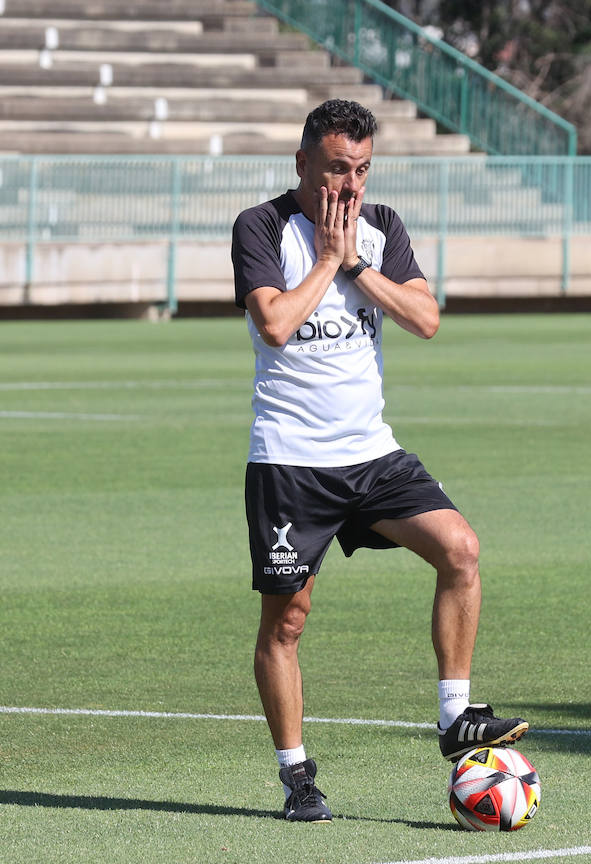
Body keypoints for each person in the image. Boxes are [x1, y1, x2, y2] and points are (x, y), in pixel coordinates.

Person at [231, 99, 528, 823]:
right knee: (288, 620)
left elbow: (424, 318)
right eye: (337, 168)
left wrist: (356, 260)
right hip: (292, 464)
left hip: (372, 454)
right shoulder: (261, 227)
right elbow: (273, 323)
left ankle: (455, 716)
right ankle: (298, 777)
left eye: (362, 169)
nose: (351, 184)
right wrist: (328, 261)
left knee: (461, 549)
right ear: (303, 164)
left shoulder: (381, 228)